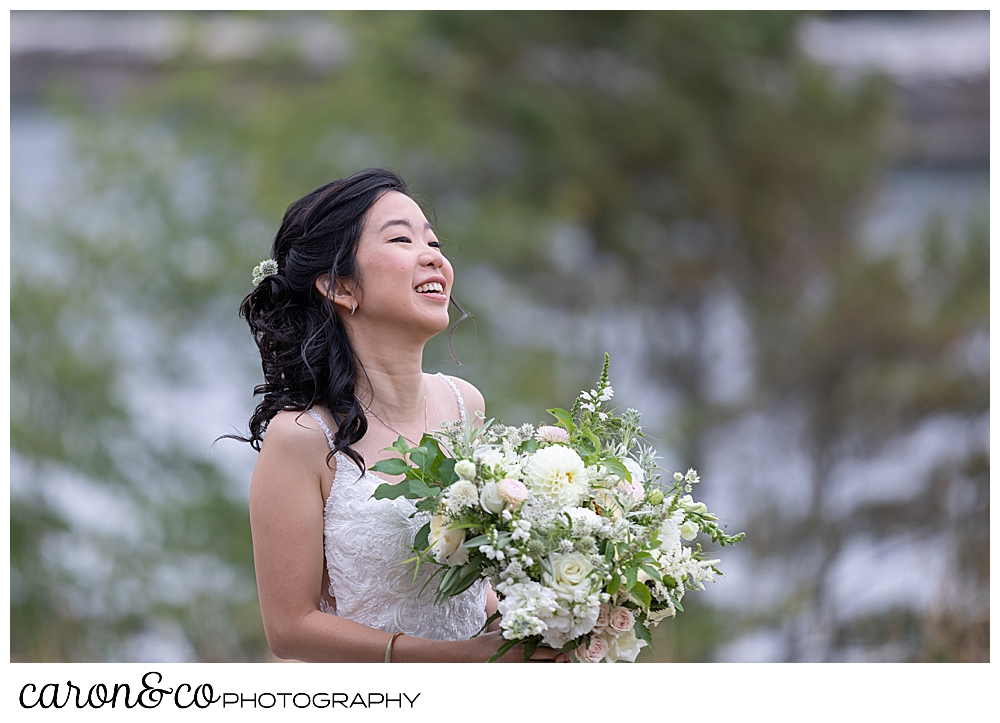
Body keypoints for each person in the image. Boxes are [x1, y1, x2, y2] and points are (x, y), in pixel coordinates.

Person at [239, 168, 567, 662]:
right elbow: (290, 629)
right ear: (342, 286)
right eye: (401, 239)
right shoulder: (303, 437)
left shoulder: (464, 405)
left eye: (433, 242)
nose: (433, 256)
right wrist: (460, 660)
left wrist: (546, 623)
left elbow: (467, 587)